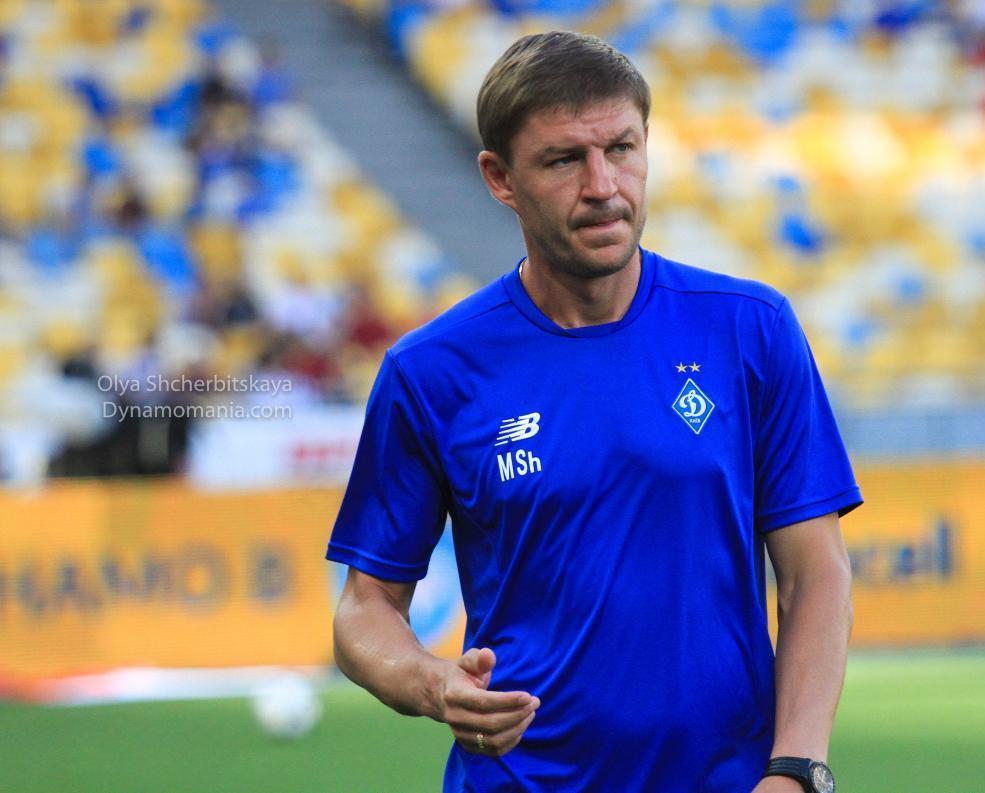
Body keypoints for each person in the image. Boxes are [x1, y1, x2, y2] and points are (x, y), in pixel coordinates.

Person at [327, 31, 862, 792]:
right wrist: (431, 681)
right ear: (500, 178)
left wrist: (797, 768)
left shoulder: (751, 328)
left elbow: (816, 575)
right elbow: (365, 607)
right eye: (563, 160)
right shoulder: (432, 370)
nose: (604, 185)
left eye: (622, 148)